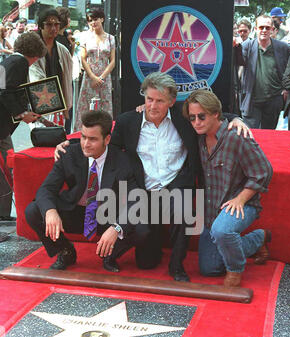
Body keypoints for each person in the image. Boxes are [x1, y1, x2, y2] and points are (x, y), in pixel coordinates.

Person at [55, 72, 252, 281]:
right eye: (149, 99)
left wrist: (237, 120)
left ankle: (177, 266)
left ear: (172, 101)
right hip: (143, 192)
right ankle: (136, 247)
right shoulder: (128, 122)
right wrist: (72, 145)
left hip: (174, 186)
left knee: (182, 206)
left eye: (160, 101)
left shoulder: (183, 119)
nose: (153, 106)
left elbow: (214, 116)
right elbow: (106, 144)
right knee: (146, 263)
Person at [25, 110, 149, 272]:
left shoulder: (122, 161)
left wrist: (117, 228)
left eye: (93, 139)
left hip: (107, 216)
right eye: (83, 137)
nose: (86, 144)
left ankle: (110, 255)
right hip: (75, 212)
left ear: (107, 139)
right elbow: (46, 189)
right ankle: (65, 251)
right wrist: (50, 211)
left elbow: (136, 200)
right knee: (34, 210)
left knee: (142, 227)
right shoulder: (69, 154)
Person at [182, 89, 273, 287]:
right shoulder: (198, 136)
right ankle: (258, 239)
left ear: (215, 113)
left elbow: (264, 171)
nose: (196, 121)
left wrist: (241, 198)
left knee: (222, 231)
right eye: (192, 117)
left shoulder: (236, 136)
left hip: (241, 205)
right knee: (210, 268)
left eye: (201, 116)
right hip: (211, 210)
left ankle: (235, 270)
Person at [0, 32, 47, 224]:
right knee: (5, 167)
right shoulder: (19, 63)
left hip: (3, 126)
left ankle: (3, 212)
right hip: (2, 125)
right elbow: (6, 92)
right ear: (35, 53)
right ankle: (2, 213)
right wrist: (23, 113)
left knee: (5, 164)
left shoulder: (10, 60)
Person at [236, 14, 290, 129]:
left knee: (269, 136)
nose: (264, 30)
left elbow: (289, 69)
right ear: (255, 29)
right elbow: (236, 63)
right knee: (250, 136)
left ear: (272, 29)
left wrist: (286, 89)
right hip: (252, 101)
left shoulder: (283, 48)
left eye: (267, 27)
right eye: (261, 27)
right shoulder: (246, 46)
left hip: (274, 100)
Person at [29, 8, 73, 127]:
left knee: (59, 138)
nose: (53, 28)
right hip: (40, 101)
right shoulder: (32, 48)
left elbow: (68, 77)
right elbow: (34, 78)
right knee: (42, 138)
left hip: (60, 104)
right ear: (41, 26)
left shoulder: (63, 50)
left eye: (56, 24)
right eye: (49, 24)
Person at [73, 7, 115, 131]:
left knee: (105, 106)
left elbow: (112, 61)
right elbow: (83, 58)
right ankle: (80, 135)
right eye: (90, 20)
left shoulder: (110, 38)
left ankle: (105, 134)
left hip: (104, 78)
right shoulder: (85, 37)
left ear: (102, 19)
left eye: (95, 19)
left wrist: (101, 78)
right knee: (85, 106)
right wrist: (92, 77)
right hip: (89, 78)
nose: (93, 23)